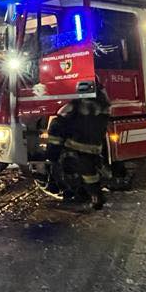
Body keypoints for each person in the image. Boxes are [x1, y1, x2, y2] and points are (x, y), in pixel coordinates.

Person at [45, 80, 111, 209]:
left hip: (75, 147)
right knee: (90, 175)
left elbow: (58, 125)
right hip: (94, 149)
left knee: (70, 171)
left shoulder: (74, 106)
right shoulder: (103, 107)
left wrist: (53, 152)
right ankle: (95, 197)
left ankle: (80, 195)